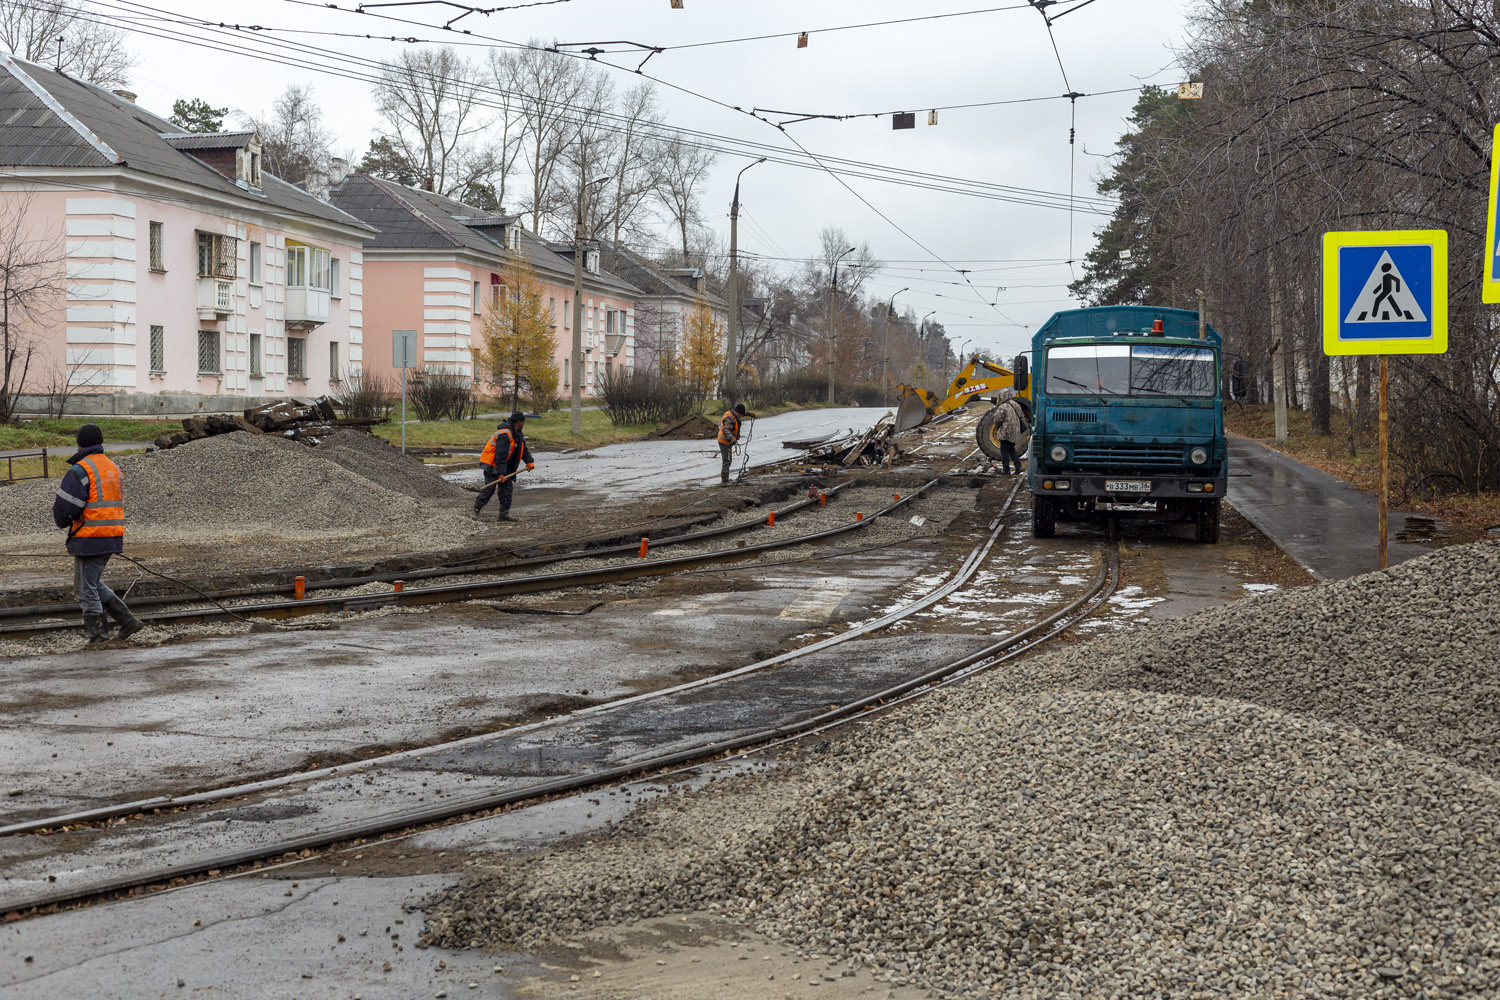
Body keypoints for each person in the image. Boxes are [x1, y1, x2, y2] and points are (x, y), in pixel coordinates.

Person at [50, 423, 143, 645]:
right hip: (112, 534)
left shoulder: (82, 469)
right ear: (100, 443)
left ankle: (98, 638)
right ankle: (127, 621)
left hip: (90, 536)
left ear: (80, 444)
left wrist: (63, 522)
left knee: (85, 589)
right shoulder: (112, 467)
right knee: (92, 583)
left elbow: (65, 507)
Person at [474, 411, 534, 521]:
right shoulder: (505, 434)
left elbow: (523, 449)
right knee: (489, 488)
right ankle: (474, 511)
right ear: (519, 422)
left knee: (507, 489)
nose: (524, 423)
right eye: (523, 421)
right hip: (491, 463)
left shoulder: (518, 434)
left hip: (504, 465)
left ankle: (503, 515)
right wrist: (501, 473)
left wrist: (529, 461)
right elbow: (500, 455)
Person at [993, 389, 1030, 476]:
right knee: (1011, 449)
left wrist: (998, 427)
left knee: (1004, 452)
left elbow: (997, 419)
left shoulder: (1003, 406)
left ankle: (1006, 470)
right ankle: (1018, 467)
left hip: (1005, 433)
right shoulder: (1016, 404)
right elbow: (1021, 416)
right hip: (1014, 432)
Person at [716, 402, 751, 486]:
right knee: (727, 461)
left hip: (727, 442)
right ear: (737, 413)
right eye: (741, 415)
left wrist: (749, 414)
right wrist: (731, 438)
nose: (741, 416)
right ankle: (724, 481)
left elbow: (741, 413)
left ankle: (726, 479)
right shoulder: (729, 418)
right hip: (724, 442)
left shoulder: (734, 413)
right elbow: (725, 430)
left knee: (728, 460)